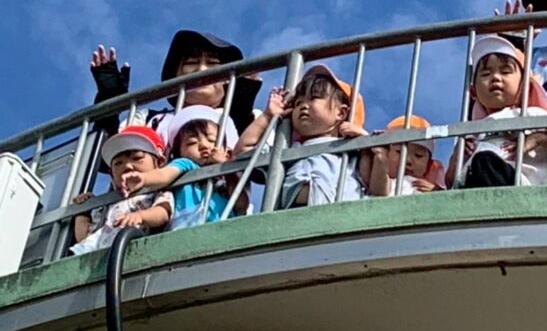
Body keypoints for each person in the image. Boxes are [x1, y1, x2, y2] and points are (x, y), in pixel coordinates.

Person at [89, 30, 262, 143]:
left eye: (213, 64)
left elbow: (260, 169)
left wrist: (240, 113)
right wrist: (109, 100)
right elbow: (108, 158)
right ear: (176, 75)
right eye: (191, 63)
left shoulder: (253, 117)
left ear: (227, 79)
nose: (202, 70)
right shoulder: (149, 119)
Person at [453, 35, 547, 188]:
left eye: (505, 71)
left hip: (522, 188)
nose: (495, 77)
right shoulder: (472, 131)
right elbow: (450, 180)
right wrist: (457, 156)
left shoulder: (533, 115)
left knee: (484, 161)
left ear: (524, 84)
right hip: (476, 184)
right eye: (485, 74)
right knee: (480, 163)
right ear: (473, 91)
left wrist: (538, 139)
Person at [117, 105, 249, 229]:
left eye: (211, 140)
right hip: (184, 231)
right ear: (179, 152)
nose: (204, 145)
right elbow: (164, 175)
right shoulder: (186, 164)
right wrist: (144, 178)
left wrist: (226, 169)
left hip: (223, 230)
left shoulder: (227, 179)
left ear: (226, 152)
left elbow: (241, 206)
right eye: (192, 142)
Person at [274, 65, 368, 208]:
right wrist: (268, 116)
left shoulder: (351, 151)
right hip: (292, 216)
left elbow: (376, 184)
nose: (303, 106)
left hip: (337, 214)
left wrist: (367, 142)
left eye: (314, 98)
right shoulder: (290, 148)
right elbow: (244, 150)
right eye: (298, 103)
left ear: (341, 113)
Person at [70, 127, 174, 255]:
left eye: (137, 158)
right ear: (111, 174)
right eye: (118, 163)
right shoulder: (108, 203)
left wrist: (141, 216)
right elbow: (85, 238)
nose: (127, 166)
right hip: (103, 259)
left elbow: (163, 213)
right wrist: (82, 212)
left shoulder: (157, 190)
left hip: (141, 252)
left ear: (159, 162)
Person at [362, 116, 448, 196]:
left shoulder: (429, 186)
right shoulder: (390, 183)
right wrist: (380, 159)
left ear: (428, 165)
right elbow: (379, 193)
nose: (407, 160)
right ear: (387, 153)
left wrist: (436, 191)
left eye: (418, 155)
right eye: (399, 152)